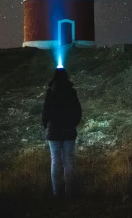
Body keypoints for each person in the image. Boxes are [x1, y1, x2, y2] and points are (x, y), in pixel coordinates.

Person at [41, 67, 82, 198]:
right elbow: (78, 111)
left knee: (55, 161)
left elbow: (45, 111)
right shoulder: (71, 92)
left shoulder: (50, 92)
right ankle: (69, 192)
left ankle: (56, 192)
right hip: (69, 130)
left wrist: (46, 125)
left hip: (53, 131)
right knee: (68, 162)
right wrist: (74, 123)